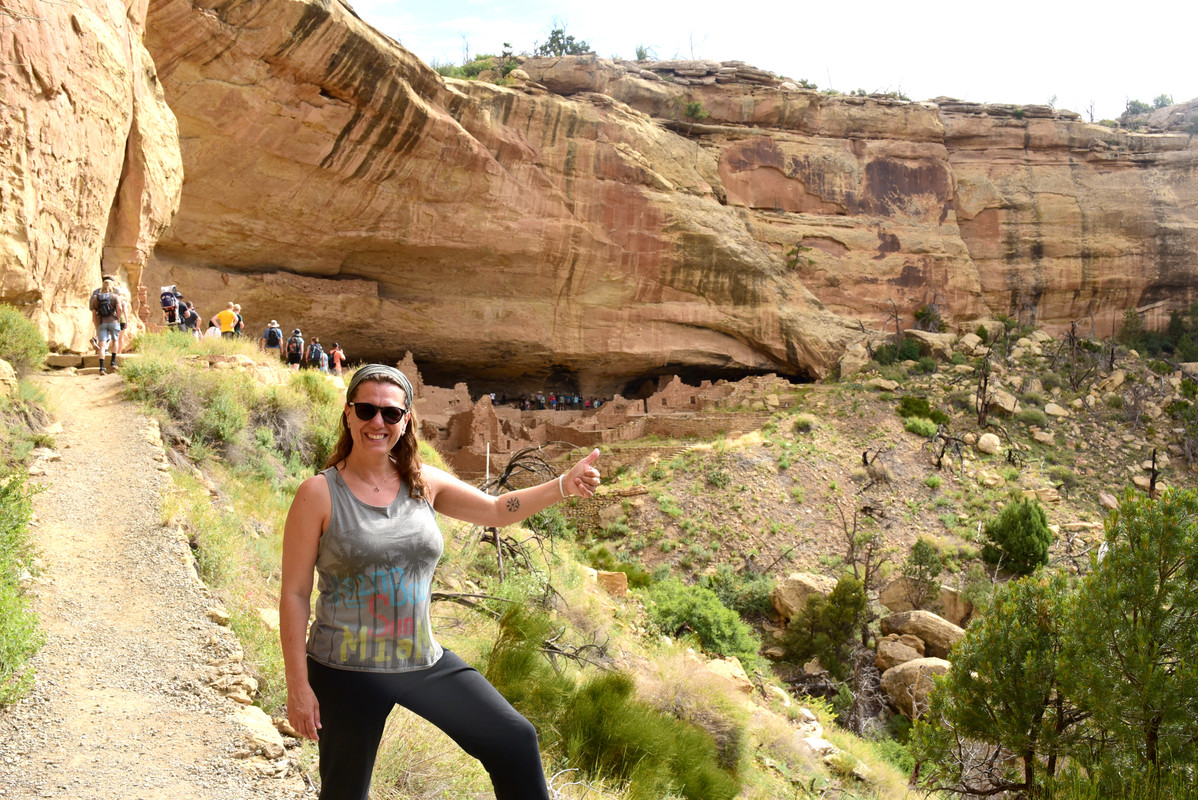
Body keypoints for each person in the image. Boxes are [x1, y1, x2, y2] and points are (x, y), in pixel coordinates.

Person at [280, 365, 601, 800]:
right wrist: (298, 686)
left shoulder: (422, 481)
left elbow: (493, 509)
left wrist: (563, 485)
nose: (378, 422)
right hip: (345, 669)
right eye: (367, 410)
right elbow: (296, 595)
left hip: (421, 661)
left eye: (391, 414)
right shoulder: (318, 493)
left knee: (514, 740)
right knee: (344, 793)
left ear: (406, 420)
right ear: (349, 414)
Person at [88, 276, 124, 375]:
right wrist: (118, 317)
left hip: (101, 322)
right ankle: (113, 362)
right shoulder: (115, 296)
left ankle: (102, 368)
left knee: (102, 345)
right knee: (115, 341)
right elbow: (119, 308)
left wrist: (96, 325)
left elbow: (93, 314)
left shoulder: (97, 297)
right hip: (113, 322)